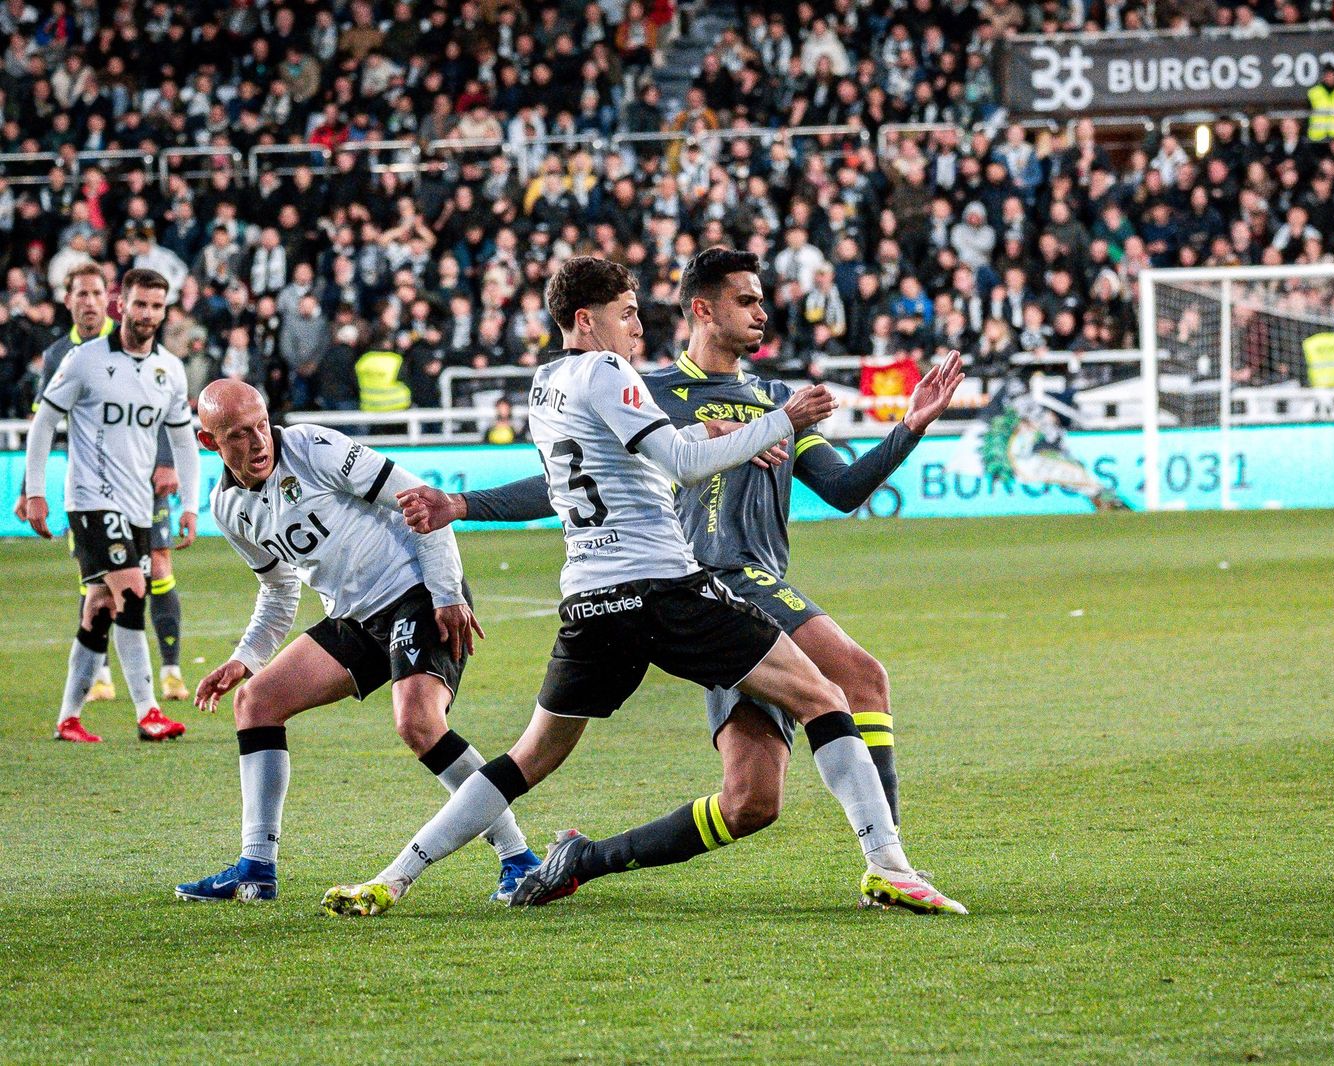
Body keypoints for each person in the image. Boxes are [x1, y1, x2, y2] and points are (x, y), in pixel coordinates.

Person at [320, 256, 965, 918]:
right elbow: (673, 462)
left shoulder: (556, 385)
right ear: (699, 309)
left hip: (595, 598)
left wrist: (900, 427)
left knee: (702, 792)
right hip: (682, 585)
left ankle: (405, 875)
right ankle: (889, 863)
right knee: (839, 689)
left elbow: (836, 486)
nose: (637, 327)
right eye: (627, 314)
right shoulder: (631, 379)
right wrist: (774, 424)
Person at [174, 379, 540, 903]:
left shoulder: (312, 447)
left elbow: (424, 504)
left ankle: (517, 857)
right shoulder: (228, 509)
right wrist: (245, 658)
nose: (258, 442)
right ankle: (256, 868)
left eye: (261, 425)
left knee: (418, 723)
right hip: (355, 617)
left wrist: (446, 593)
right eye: (239, 435)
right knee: (256, 702)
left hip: (416, 591)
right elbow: (278, 590)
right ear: (209, 442)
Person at [22, 268, 200, 744]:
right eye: (140, 304)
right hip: (90, 500)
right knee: (133, 592)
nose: (147, 314)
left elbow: (184, 440)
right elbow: (44, 423)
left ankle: (68, 719)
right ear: (121, 306)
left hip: (138, 505)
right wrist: (35, 491)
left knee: (99, 607)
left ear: (164, 311)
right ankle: (149, 712)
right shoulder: (84, 360)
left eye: (156, 306)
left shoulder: (170, 369)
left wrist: (190, 506)